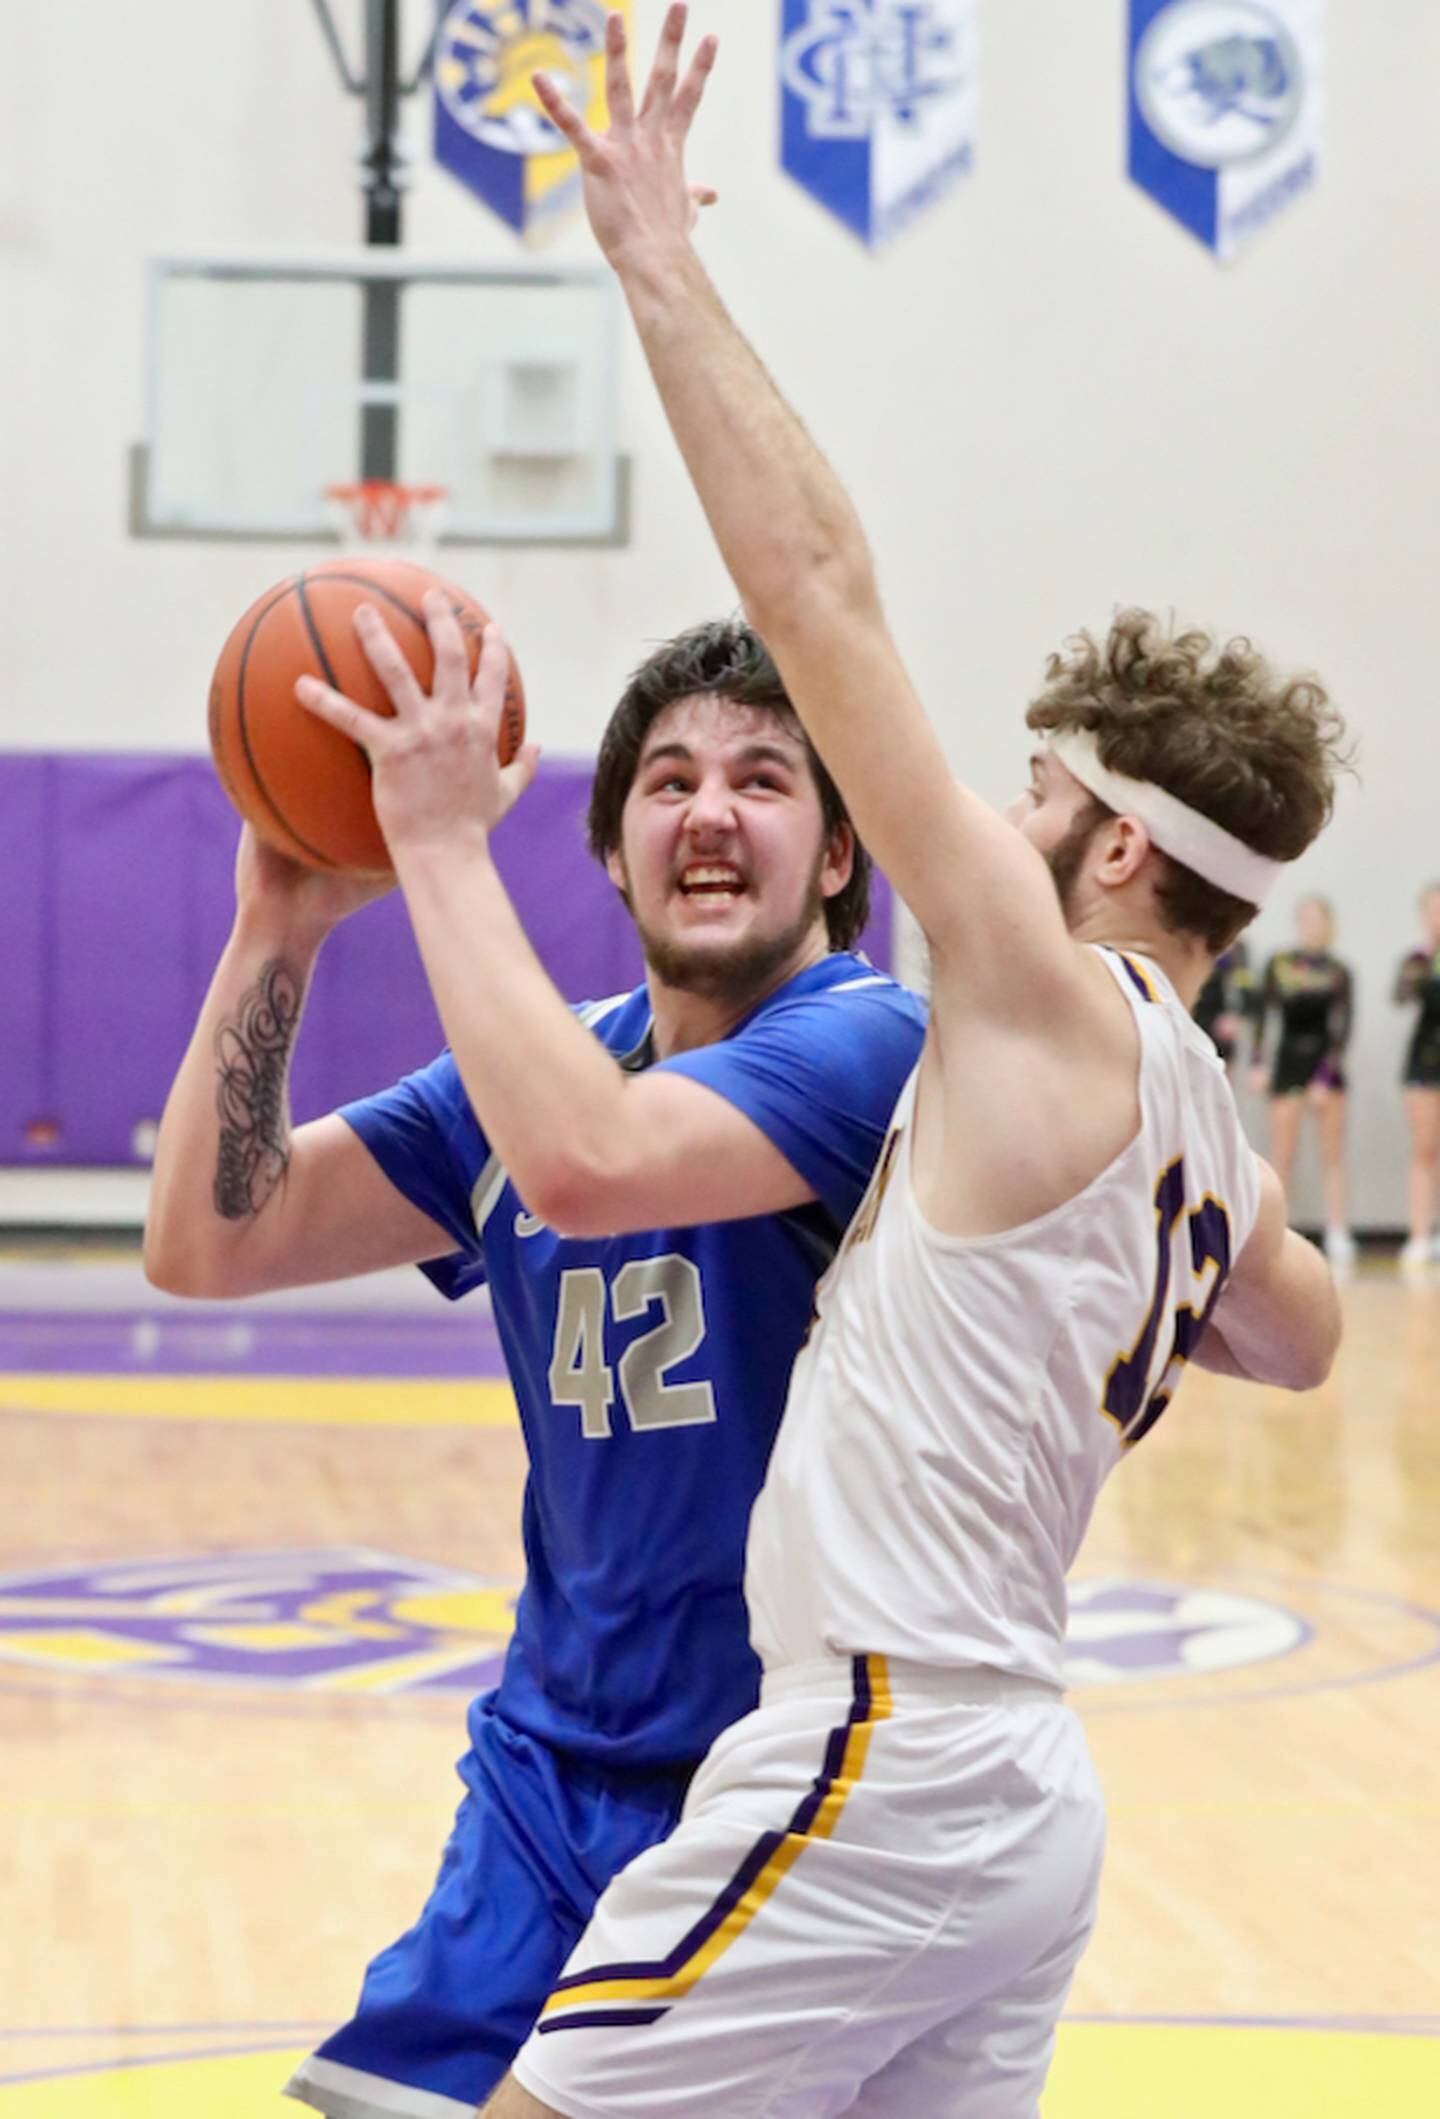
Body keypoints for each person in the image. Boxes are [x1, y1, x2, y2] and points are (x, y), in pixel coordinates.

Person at [474, 13, 1350, 2115]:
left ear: (1120, 847)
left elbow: (818, 586)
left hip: (879, 1755)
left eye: (1040, 794)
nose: (1001, 818)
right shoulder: (1206, 1141)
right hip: (1022, 1797)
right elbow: (1306, 1340)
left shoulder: (1045, 997)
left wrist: (659, 270)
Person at [143, 615, 926, 2119]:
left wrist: (436, 841)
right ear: (616, 851)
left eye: (765, 779)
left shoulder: (874, 1045)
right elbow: (207, 1240)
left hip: (778, 1788)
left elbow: (586, 1162)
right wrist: (280, 927)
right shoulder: (547, 1068)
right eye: (670, 778)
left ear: (837, 856)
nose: (709, 808)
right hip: (548, 1770)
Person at [1248, 897, 1356, 1266]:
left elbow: (1344, 1026)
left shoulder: (1339, 970)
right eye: (1305, 919)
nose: (1311, 926)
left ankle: (1337, 1230)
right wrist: (1259, 1063)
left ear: (1329, 924)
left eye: (1318, 919)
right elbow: (1264, 1017)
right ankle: (1278, 1231)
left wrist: (1325, 1077)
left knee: (1332, 1153)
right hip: (1288, 1063)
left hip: (1324, 1064)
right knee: (1282, 1152)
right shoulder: (1280, 965)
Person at [1394, 881, 1440, 1273]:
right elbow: (1401, 995)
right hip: (1425, 1062)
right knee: (1425, 1147)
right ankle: (1419, 1235)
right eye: (1432, 911)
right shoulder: (1418, 959)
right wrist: (1423, 961)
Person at [1190, 936, 1253, 1068]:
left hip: (1220, 1022)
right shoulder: (1195, 941)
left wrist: (1236, 1015)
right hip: (1196, 1014)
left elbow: (1244, 986)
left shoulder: (1238, 950)